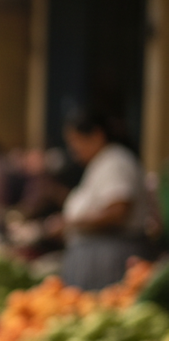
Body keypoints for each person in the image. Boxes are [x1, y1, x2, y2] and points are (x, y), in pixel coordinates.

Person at [57, 111, 152, 290]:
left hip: (111, 258)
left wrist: (70, 224)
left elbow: (117, 211)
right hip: (96, 257)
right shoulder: (102, 163)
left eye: (75, 141)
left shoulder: (115, 162)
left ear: (97, 135)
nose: (73, 149)